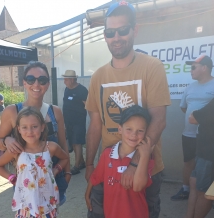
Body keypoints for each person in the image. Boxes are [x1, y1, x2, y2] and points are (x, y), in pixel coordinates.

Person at [84, 1, 171, 218]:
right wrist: (89, 164)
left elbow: (159, 120)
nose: (116, 37)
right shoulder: (98, 76)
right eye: (110, 32)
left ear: (135, 30)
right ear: (104, 35)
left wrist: (134, 163)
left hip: (144, 169)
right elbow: (95, 125)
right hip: (107, 168)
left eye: (123, 30)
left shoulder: (152, 67)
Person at [0, 61, 71, 206]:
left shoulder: (55, 112)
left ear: (48, 84)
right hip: (26, 184)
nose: (36, 84)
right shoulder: (12, 111)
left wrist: (67, 174)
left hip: (54, 180)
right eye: (31, 79)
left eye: (42, 80)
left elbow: (63, 145)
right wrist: (6, 141)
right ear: (24, 82)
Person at [0, 106, 69, 217]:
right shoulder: (16, 150)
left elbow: (65, 158)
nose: (30, 131)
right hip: (26, 205)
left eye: (34, 126)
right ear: (18, 129)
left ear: (42, 127)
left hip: (48, 204)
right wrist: (12, 178)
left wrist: (56, 170)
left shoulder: (51, 147)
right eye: (24, 127)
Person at [85, 105, 153, 218]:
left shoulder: (146, 157)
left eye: (140, 131)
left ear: (146, 133)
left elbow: (137, 187)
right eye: (129, 129)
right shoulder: (107, 154)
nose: (134, 135)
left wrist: (145, 155)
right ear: (120, 129)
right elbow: (96, 177)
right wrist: (87, 194)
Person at [171, 55, 214, 201]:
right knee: (188, 162)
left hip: (208, 137)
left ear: (204, 68)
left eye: (193, 67)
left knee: (208, 165)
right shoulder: (190, 87)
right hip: (189, 134)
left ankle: (208, 195)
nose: (191, 70)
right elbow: (184, 108)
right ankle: (186, 190)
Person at [185, 98, 214, 218]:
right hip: (203, 152)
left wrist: (196, 111)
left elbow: (193, 117)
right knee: (194, 182)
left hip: (209, 155)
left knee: (205, 192)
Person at [62, 70, 88, 175]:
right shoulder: (66, 89)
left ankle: (76, 166)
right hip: (68, 121)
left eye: (66, 79)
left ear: (72, 79)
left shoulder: (82, 90)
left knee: (77, 143)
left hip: (79, 122)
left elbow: (88, 106)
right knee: (73, 143)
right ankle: (82, 162)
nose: (64, 81)